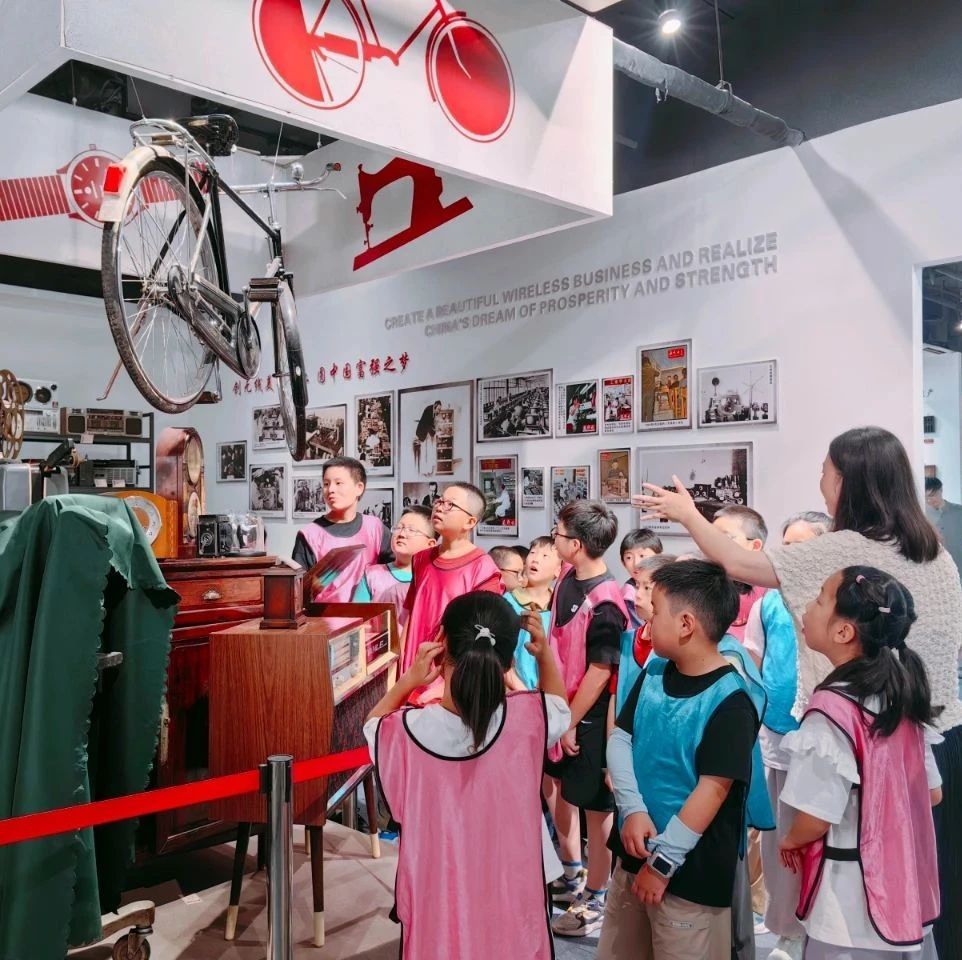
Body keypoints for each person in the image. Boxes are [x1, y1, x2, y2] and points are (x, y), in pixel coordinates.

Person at [633, 426, 962, 958]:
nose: (821, 483)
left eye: (826, 473)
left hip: (861, 748)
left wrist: (688, 514)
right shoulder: (935, 555)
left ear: (849, 482)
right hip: (931, 735)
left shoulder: (842, 554)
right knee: (919, 895)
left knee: (847, 896)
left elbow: (738, 564)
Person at [367, 592, 570, 960]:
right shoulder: (530, 718)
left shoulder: (407, 731)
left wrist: (408, 681)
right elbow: (559, 707)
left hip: (437, 900)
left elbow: (372, 726)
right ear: (509, 659)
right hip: (514, 895)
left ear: (441, 643)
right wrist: (544, 656)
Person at [778, 566, 941, 960]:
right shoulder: (901, 697)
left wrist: (791, 839)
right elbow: (932, 792)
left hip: (849, 904)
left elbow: (816, 816)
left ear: (843, 632)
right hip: (904, 890)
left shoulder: (832, 710)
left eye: (820, 598)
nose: (808, 607)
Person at [600, 560, 761, 960]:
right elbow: (621, 738)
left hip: (688, 877)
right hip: (633, 854)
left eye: (655, 611)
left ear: (686, 623)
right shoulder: (655, 670)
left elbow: (713, 790)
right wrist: (633, 809)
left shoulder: (731, 700)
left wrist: (663, 864)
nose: (648, 620)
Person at [743, 511, 832, 960]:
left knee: (819, 831)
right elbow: (756, 663)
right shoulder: (768, 603)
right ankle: (787, 929)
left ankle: (821, 923)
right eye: (787, 545)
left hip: (823, 736)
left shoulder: (836, 601)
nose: (789, 554)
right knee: (780, 834)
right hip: (776, 732)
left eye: (800, 545)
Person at [545, 500, 629, 938]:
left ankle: (597, 895)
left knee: (597, 810)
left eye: (557, 534)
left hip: (588, 717)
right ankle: (572, 873)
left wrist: (570, 721)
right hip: (561, 709)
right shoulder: (566, 577)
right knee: (565, 794)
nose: (553, 539)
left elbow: (600, 671)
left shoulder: (607, 602)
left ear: (575, 544)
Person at [400, 483, 502, 695]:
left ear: (470, 522)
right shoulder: (420, 559)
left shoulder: (483, 569)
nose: (439, 507)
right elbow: (410, 615)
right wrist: (400, 666)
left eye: (450, 505)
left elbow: (481, 638)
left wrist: (447, 687)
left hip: (449, 685)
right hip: (411, 673)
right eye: (440, 501)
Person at [292, 457, 392, 602]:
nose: (330, 490)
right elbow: (299, 591)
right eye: (326, 484)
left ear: (359, 488)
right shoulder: (309, 535)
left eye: (338, 483)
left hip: (369, 614)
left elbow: (396, 571)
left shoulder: (375, 528)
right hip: (324, 615)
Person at [352, 505, 436, 630]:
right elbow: (357, 620)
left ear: (430, 544)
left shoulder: (436, 579)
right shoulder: (372, 576)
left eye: (411, 530)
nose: (401, 534)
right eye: (399, 527)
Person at [505, 536, 562, 690]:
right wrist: (521, 690)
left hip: (550, 692)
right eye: (533, 553)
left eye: (545, 556)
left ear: (558, 570)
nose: (536, 559)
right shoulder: (508, 602)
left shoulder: (560, 607)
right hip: (514, 690)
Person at [712, 505, 769, 644]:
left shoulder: (770, 594)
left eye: (725, 537)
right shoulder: (700, 584)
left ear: (755, 546)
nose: (712, 544)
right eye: (711, 537)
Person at [620, 529, 664, 629]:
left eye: (642, 556)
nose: (636, 563)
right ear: (623, 562)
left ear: (659, 557)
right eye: (629, 557)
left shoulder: (664, 583)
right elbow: (640, 630)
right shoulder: (629, 595)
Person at [925, 476, 962, 575]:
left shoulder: (959, 511)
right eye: (926, 497)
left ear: (941, 490)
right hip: (935, 569)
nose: (929, 500)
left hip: (959, 565)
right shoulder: (922, 515)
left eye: (932, 495)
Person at [414, 400, 441, 475]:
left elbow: (431, 424)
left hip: (426, 433)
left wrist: (435, 429)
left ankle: (428, 470)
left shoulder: (433, 411)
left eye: (440, 409)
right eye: (438, 409)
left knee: (428, 451)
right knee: (424, 452)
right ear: (435, 406)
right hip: (422, 433)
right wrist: (434, 432)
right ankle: (424, 471)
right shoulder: (428, 410)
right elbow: (428, 425)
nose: (439, 411)